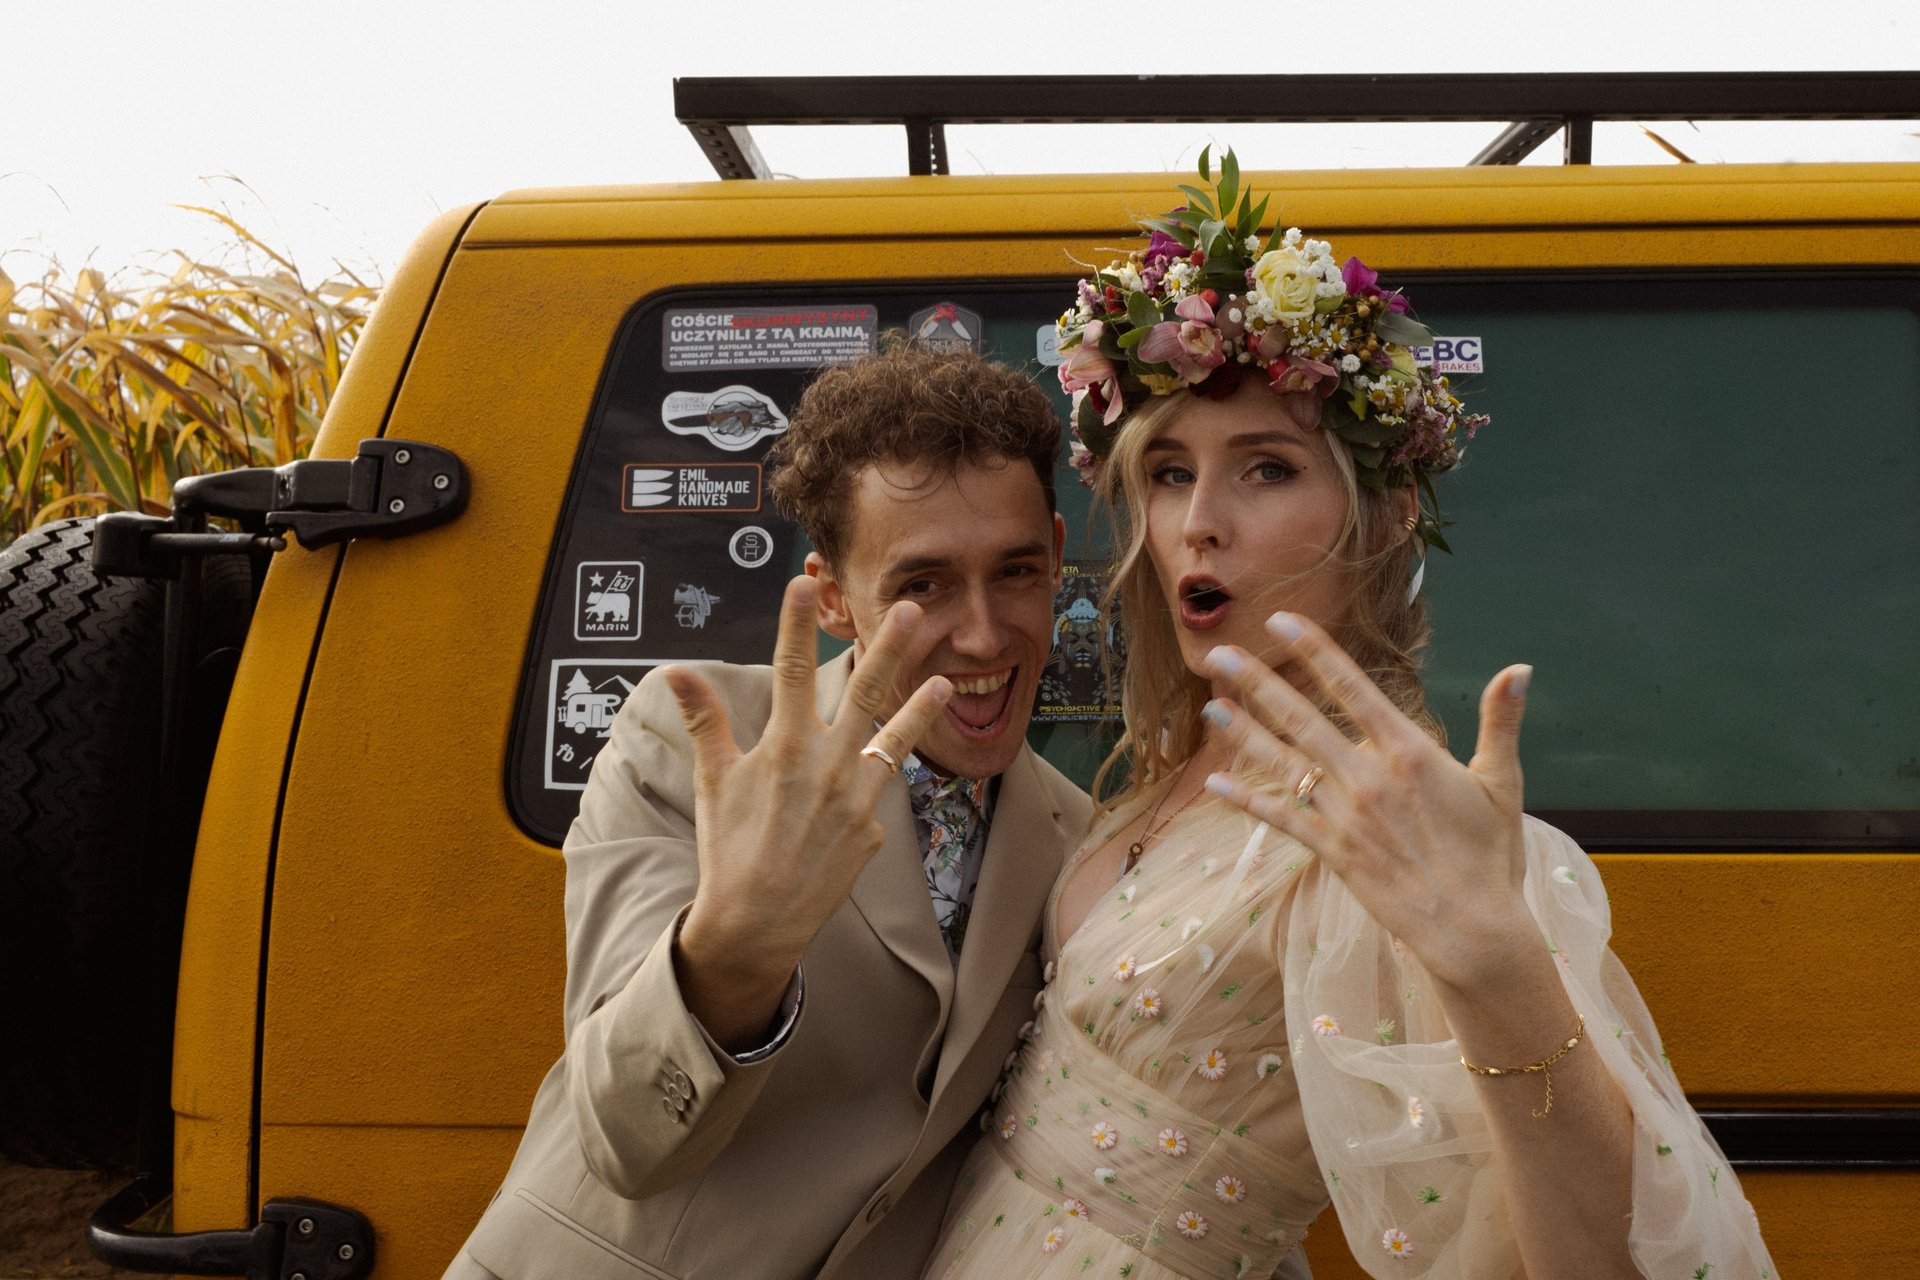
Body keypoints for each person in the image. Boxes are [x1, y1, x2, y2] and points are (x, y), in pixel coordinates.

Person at [924, 154, 1778, 1279]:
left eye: (1267, 469)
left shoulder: (1391, 830)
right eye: (1170, 472)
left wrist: (1500, 969)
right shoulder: (1176, 760)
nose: (1199, 523)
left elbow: (1585, 1262)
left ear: (1385, 520)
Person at [449, 343, 1093, 1280]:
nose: (985, 633)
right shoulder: (691, 740)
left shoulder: (1080, 839)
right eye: (922, 586)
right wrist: (737, 945)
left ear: (1057, 563)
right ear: (833, 595)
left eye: (1017, 572)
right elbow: (623, 1141)